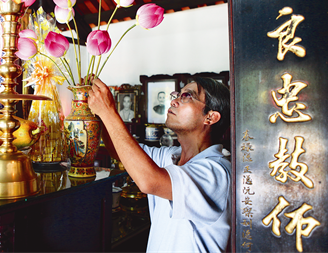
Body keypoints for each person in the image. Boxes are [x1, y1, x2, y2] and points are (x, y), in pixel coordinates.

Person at [88, 77, 231, 252]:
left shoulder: (217, 171)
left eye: (186, 96)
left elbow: (149, 180)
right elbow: (118, 150)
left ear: (210, 117)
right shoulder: (171, 155)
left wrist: (108, 112)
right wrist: (99, 111)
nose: (174, 100)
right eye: (177, 94)